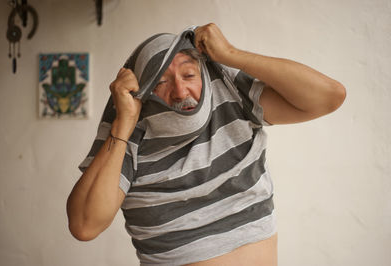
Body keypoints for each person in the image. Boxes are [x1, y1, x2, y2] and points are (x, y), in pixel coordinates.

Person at [66, 23, 346, 266]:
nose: (180, 91)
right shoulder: (133, 136)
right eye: (162, 82)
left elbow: (329, 96)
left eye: (189, 75)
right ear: (144, 92)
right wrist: (123, 123)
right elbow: (84, 225)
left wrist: (231, 55)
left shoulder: (233, 99)